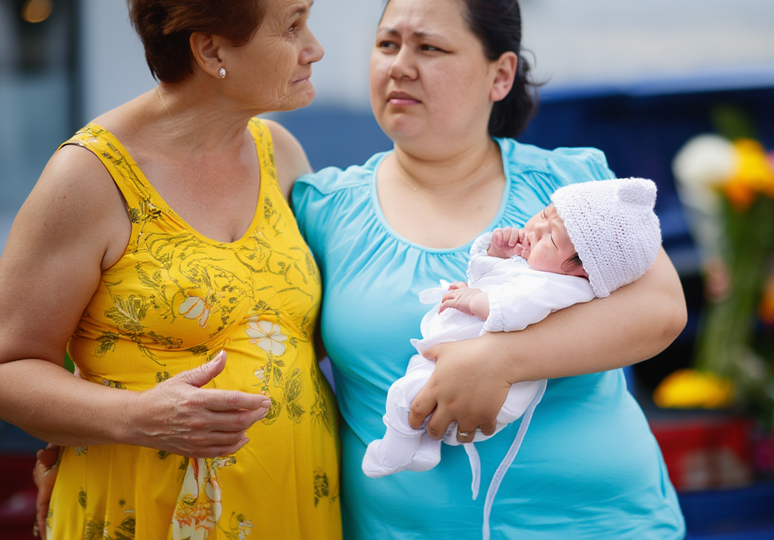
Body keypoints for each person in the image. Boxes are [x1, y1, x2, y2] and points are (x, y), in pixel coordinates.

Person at [291, 0, 688, 537]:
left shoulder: (571, 186)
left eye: (429, 47)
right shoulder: (321, 208)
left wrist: (498, 360)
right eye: (387, 44)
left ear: (500, 75)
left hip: (602, 523)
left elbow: (662, 308)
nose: (399, 65)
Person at [1, 0, 342, 538]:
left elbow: (293, 334)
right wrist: (133, 417)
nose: (314, 49)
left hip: (292, 500)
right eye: (293, 26)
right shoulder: (90, 176)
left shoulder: (279, 150)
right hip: (142, 506)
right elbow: (10, 366)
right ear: (210, 50)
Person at [363, 179, 662, 522]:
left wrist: (473, 299)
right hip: (459, 371)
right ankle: (426, 450)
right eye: (544, 214)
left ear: (585, 271)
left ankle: (394, 451)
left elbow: (512, 309)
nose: (536, 228)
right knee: (422, 390)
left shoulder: (561, 287)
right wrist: (496, 254)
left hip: (491, 395)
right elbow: (491, 279)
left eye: (552, 237)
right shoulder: (541, 271)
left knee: (405, 395)